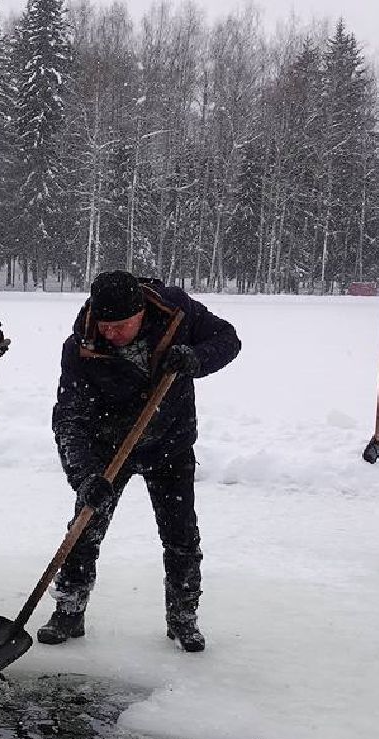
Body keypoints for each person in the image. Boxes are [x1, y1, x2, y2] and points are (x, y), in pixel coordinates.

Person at [43, 269, 240, 652]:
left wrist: (196, 358)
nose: (111, 334)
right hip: (108, 447)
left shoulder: (176, 314)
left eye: (121, 325)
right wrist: (86, 477)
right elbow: (69, 416)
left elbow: (228, 339)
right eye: (105, 325)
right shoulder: (81, 346)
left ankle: (183, 618)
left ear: (141, 313)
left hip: (169, 442)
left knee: (180, 534)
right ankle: (68, 610)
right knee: (85, 525)